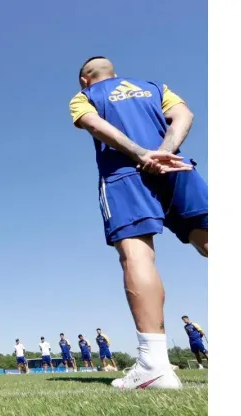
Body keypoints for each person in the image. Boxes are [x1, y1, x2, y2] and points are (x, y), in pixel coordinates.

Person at [69, 56, 205, 389]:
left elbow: (96, 125)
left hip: (125, 174)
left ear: (85, 80)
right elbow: (184, 115)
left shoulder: (84, 97)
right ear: (113, 72)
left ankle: (154, 365)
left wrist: (142, 154)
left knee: (137, 254)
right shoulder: (154, 88)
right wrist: (166, 151)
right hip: (176, 166)